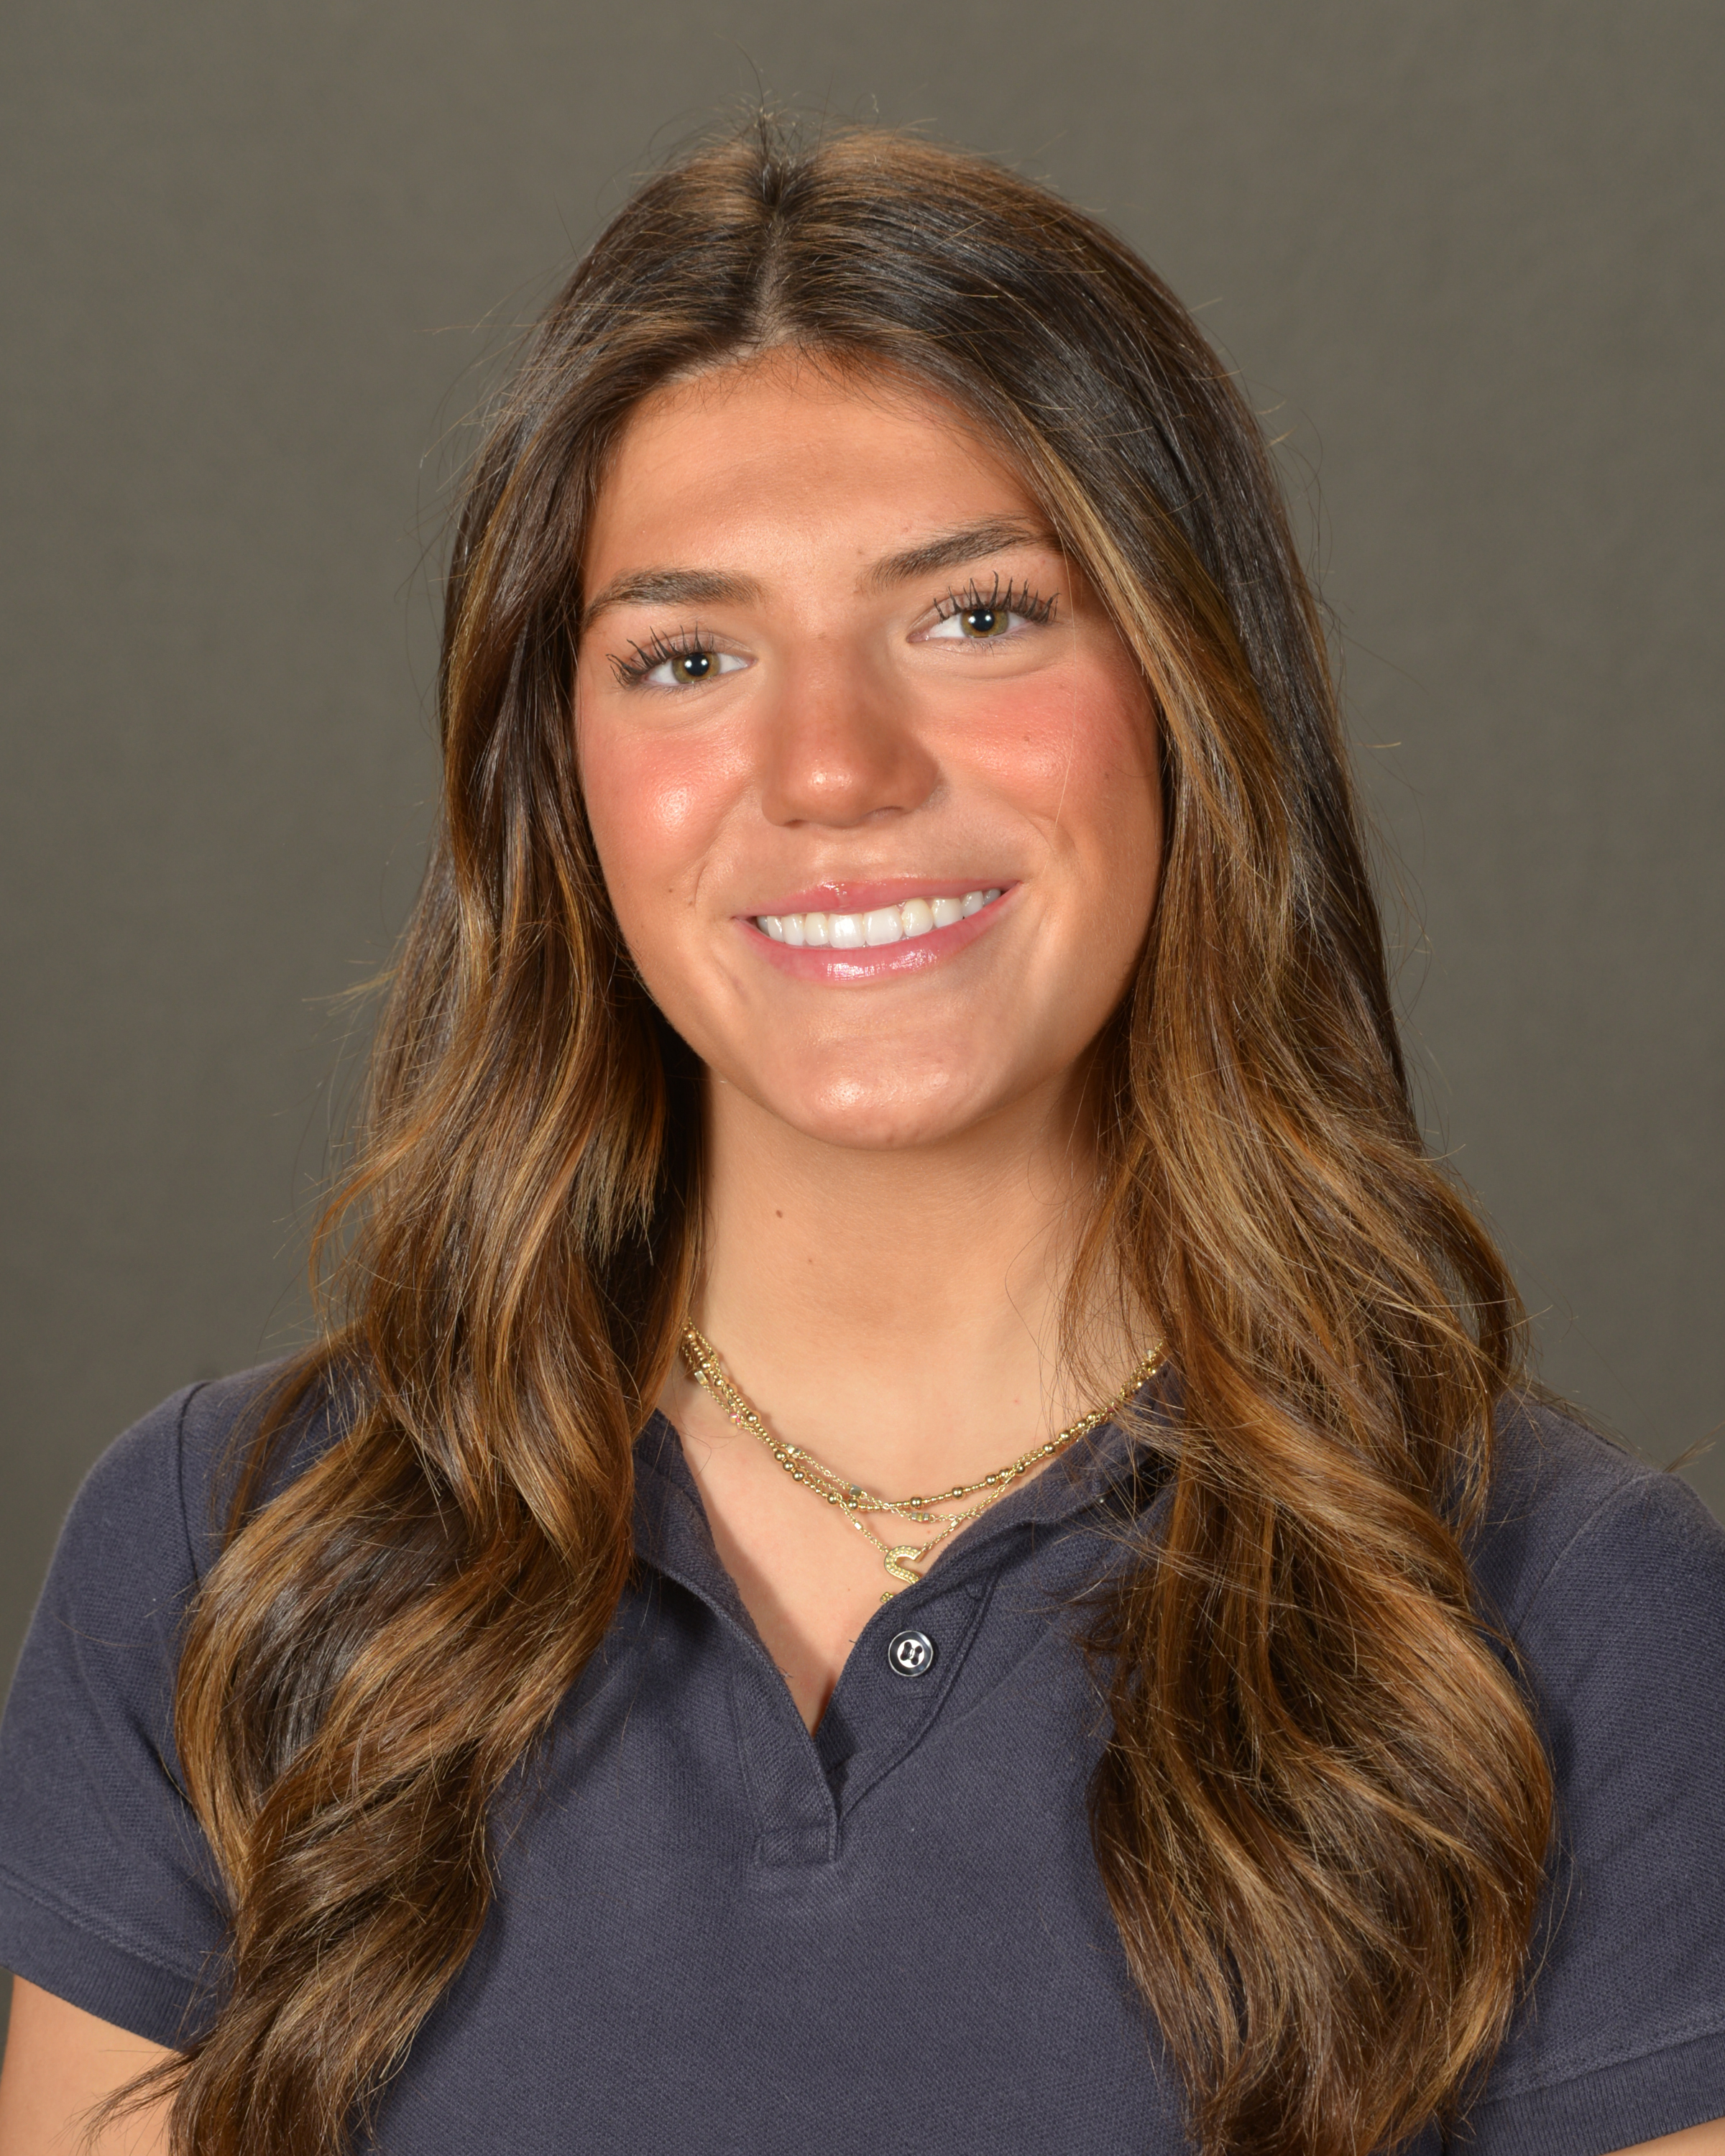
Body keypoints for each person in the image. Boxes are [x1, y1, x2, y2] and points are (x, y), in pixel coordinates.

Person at [1, 119, 1721, 2156]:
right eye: (689, 656)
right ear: (559, 780)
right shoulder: (232, 1558)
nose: (830, 767)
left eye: (976, 618)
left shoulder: (1565, 1623)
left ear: (1189, 687)